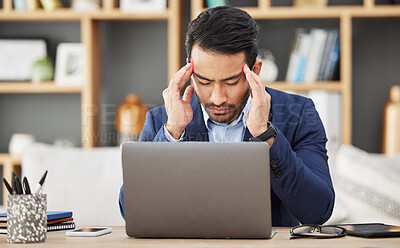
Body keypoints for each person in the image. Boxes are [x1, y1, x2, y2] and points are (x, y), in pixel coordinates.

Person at [119, 6, 335, 227]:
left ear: (255, 71)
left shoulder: (299, 114)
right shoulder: (162, 121)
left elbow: (318, 211)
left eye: (231, 82)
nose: (217, 98)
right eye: (203, 81)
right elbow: (131, 211)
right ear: (189, 71)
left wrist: (266, 135)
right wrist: (172, 133)